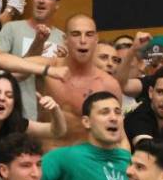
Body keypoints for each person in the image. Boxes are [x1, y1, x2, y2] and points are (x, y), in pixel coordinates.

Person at [32, 14, 120, 145]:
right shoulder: (48, 67)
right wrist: (38, 46)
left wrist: (125, 157)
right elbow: (5, 64)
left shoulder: (109, 84)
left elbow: (119, 134)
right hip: (49, 154)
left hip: (87, 156)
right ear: (65, 39)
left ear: (96, 39)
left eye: (89, 34)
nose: (83, 40)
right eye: (76, 34)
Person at [0, 0, 63, 119]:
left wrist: (64, 61)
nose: (41, 0)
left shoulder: (63, 38)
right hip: (12, 112)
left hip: (46, 115)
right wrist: (37, 45)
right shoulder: (12, 28)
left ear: (57, 5)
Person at [0, 73, 66, 160]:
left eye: (9, 96)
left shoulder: (17, 124)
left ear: (14, 104)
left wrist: (55, 110)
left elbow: (57, 131)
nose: (1, 98)